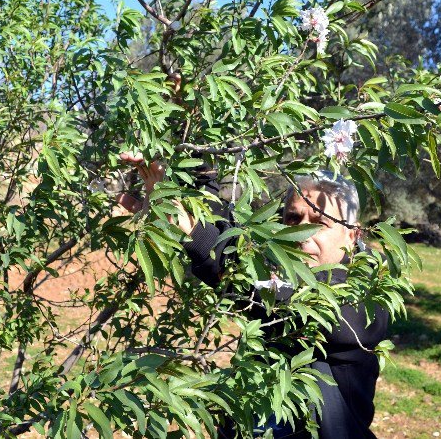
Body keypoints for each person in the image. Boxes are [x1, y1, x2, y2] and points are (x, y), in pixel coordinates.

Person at [117, 152, 388, 439]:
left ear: (353, 235)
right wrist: (198, 172)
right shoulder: (281, 265)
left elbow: (281, 299)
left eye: (319, 222)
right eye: (293, 218)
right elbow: (231, 236)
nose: (301, 233)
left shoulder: (366, 297)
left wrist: (195, 234)